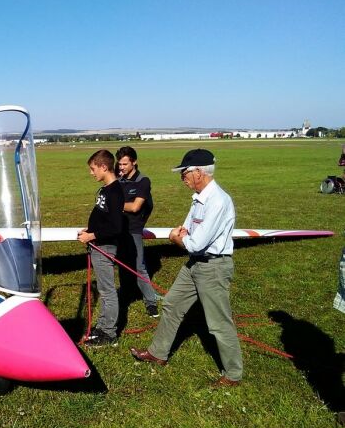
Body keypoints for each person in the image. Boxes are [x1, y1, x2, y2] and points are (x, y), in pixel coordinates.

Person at [130, 149, 243, 387]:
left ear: (199, 172)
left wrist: (176, 239)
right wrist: (182, 236)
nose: (182, 177)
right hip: (195, 264)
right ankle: (157, 353)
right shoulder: (198, 198)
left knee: (218, 323)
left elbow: (195, 242)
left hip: (213, 266)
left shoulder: (218, 201)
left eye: (185, 172)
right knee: (171, 304)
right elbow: (187, 230)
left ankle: (233, 374)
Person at [77, 149, 126, 346]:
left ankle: (109, 333)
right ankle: (102, 326)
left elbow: (116, 226)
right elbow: (104, 217)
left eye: (93, 168)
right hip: (98, 245)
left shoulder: (114, 191)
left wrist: (92, 235)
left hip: (104, 247)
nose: (91, 173)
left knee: (107, 291)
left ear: (104, 167)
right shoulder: (106, 189)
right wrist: (90, 229)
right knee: (104, 289)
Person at [116, 146, 159, 318]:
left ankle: (151, 302)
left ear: (134, 162)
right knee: (122, 264)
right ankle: (126, 293)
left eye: (125, 164)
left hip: (133, 230)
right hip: (119, 229)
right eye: (119, 164)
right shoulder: (119, 179)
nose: (121, 167)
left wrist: (114, 204)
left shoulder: (143, 181)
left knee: (139, 267)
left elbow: (135, 207)